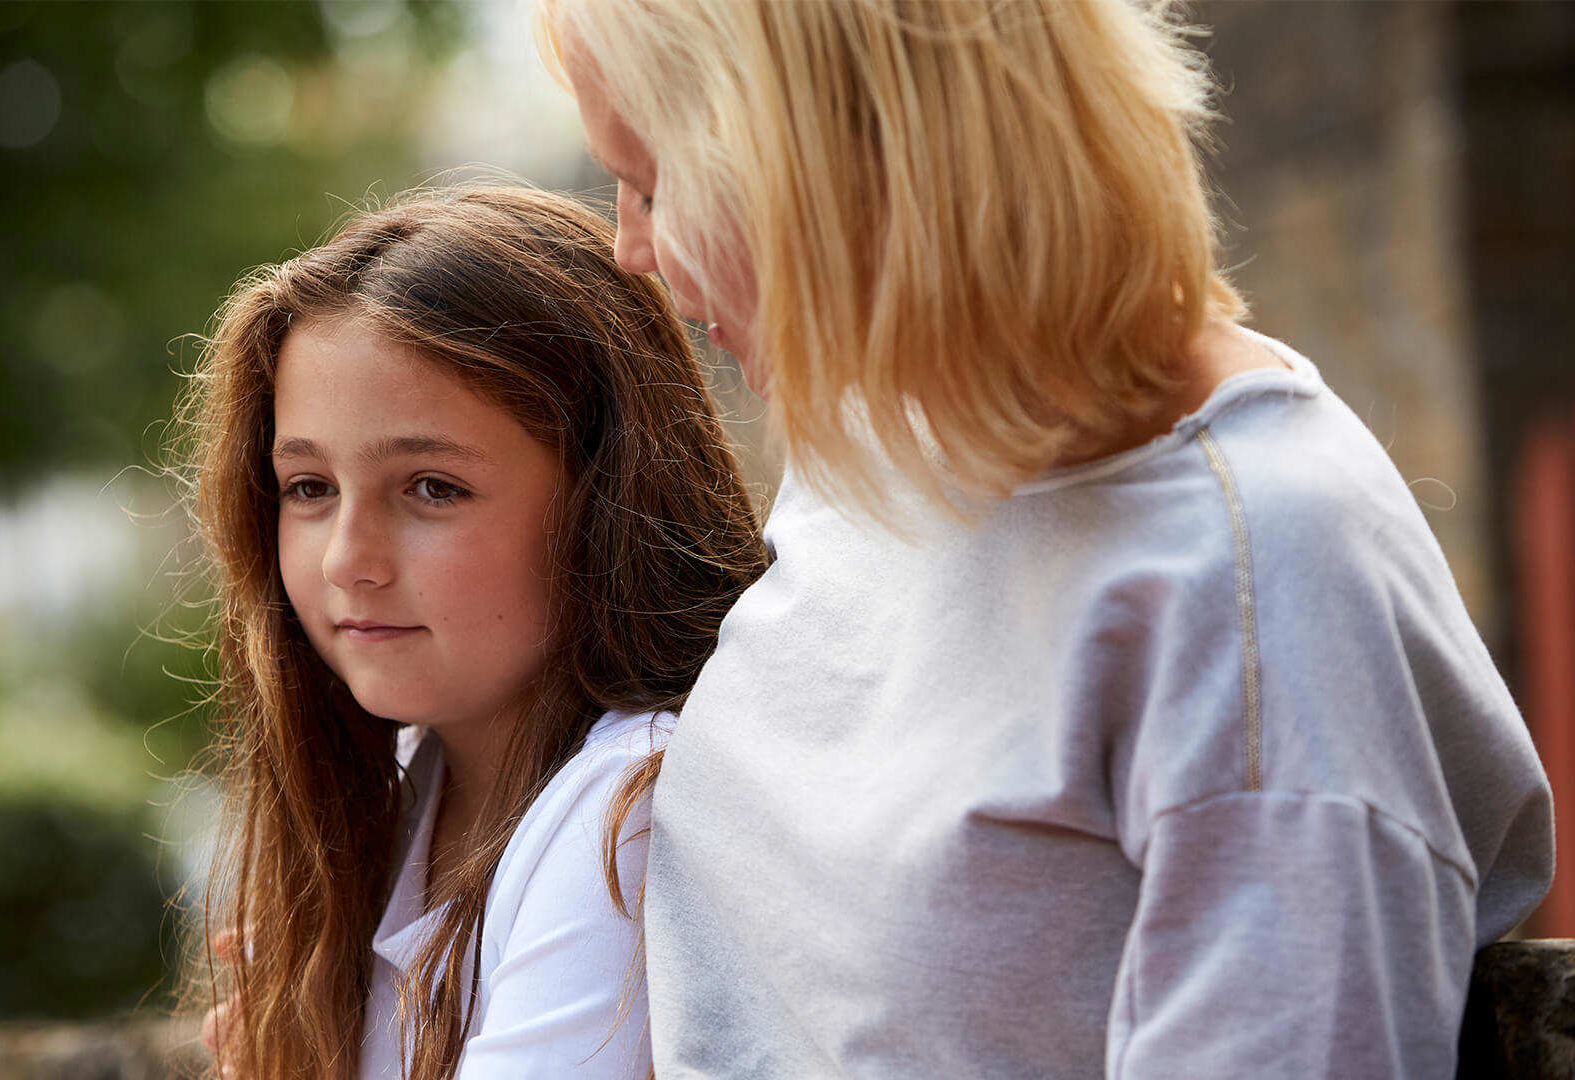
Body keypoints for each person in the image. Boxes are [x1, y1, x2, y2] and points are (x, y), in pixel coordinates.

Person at [537, 0, 1555, 1076]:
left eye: (653, 184)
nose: (630, 248)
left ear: (836, 164)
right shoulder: (894, 422)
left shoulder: (1257, 592)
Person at [178, 185, 764, 1080]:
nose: (348, 559)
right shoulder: (414, 777)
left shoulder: (630, 805)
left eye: (432, 488)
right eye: (309, 488)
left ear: (606, 499)